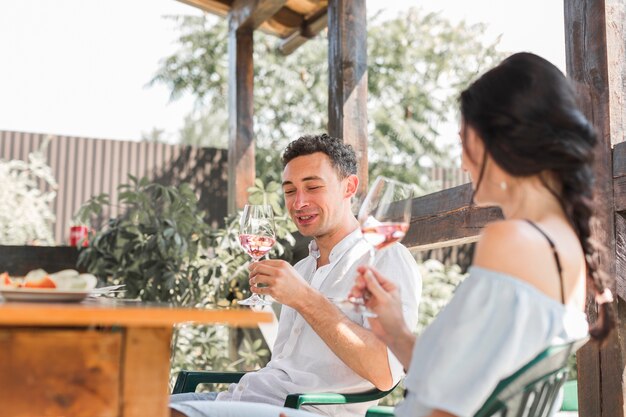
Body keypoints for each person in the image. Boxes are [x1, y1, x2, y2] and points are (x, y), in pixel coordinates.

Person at [348, 52, 615, 416]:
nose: (461, 162)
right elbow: (462, 385)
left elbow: (447, 410)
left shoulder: (512, 241)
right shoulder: (562, 246)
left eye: (463, 142)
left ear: (502, 140)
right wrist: (394, 329)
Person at [170, 133, 421, 417]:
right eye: (290, 191)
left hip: (305, 411)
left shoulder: (386, 258)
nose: (298, 202)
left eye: (313, 187)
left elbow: (386, 373)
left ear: (349, 186)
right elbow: (283, 368)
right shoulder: (302, 268)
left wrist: (304, 298)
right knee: (132, 404)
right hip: (248, 397)